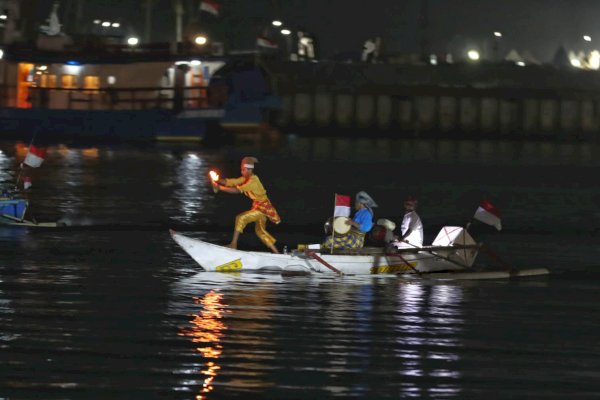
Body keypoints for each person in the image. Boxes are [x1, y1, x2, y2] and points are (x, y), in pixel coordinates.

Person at [213, 156, 281, 253]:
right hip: (259, 206)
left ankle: (233, 244)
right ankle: (277, 253)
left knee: (241, 218)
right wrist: (218, 180)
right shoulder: (246, 178)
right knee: (260, 231)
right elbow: (232, 182)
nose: (241, 172)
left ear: (248, 170)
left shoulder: (253, 181)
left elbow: (237, 190)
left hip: (263, 208)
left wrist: (220, 188)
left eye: (243, 170)